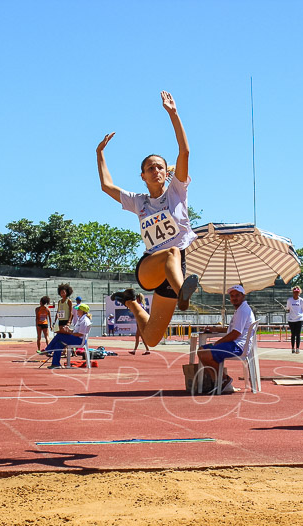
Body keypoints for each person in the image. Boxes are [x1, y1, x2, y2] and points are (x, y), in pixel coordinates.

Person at [97, 90, 199, 348]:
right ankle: (182, 293)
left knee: (152, 338)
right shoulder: (139, 201)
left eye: (159, 167)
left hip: (178, 271)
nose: (155, 170)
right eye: (150, 168)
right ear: (142, 175)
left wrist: (173, 114)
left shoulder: (177, 191)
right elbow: (106, 186)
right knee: (171, 251)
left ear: (167, 174)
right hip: (152, 267)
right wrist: (100, 154)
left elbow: (184, 151)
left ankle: (131, 301)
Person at [196, 285, 255, 394]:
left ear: (243, 296)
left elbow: (235, 334)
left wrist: (217, 343)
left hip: (238, 346)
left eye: (237, 295)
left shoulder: (242, 311)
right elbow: (232, 329)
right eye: (232, 296)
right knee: (201, 350)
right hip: (235, 344)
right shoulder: (241, 309)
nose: (234, 298)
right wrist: (215, 329)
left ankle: (224, 380)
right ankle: (220, 381)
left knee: (205, 353)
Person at [43, 303, 92, 369]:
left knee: (59, 335)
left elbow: (80, 334)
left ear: (82, 311)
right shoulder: (80, 319)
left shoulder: (84, 321)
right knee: (58, 344)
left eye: (78, 310)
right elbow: (76, 331)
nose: (77, 311)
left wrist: (69, 333)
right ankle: (55, 364)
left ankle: (48, 350)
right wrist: (69, 330)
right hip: (76, 338)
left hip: (79, 340)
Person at [285, 286, 303, 353]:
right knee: (293, 334)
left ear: (299, 293)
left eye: (297, 292)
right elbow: (288, 309)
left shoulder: (301, 300)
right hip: (291, 320)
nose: (296, 294)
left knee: (298, 334)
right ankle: (292, 348)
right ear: (293, 293)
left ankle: (297, 348)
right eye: (294, 292)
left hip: (299, 319)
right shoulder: (289, 300)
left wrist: (299, 315)